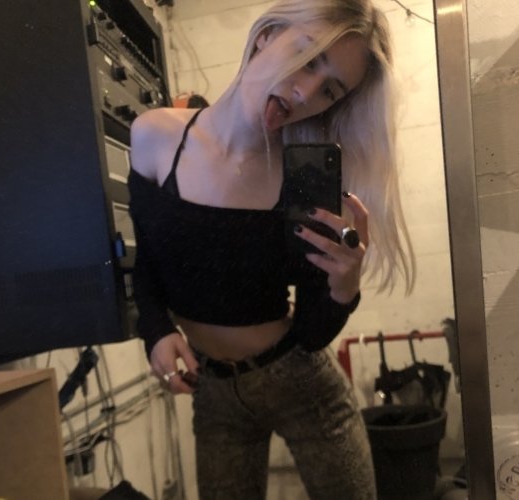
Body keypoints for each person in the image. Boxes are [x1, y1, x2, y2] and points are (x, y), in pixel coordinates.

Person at [128, 0, 415, 498]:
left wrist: (344, 288)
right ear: (267, 34)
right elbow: (145, 260)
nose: (306, 93)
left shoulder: (302, 179)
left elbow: (312, 333)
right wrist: (156, 331)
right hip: (213, 393)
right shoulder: (154, 137)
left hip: (301, 383)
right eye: (308, 57)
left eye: (330, 90)